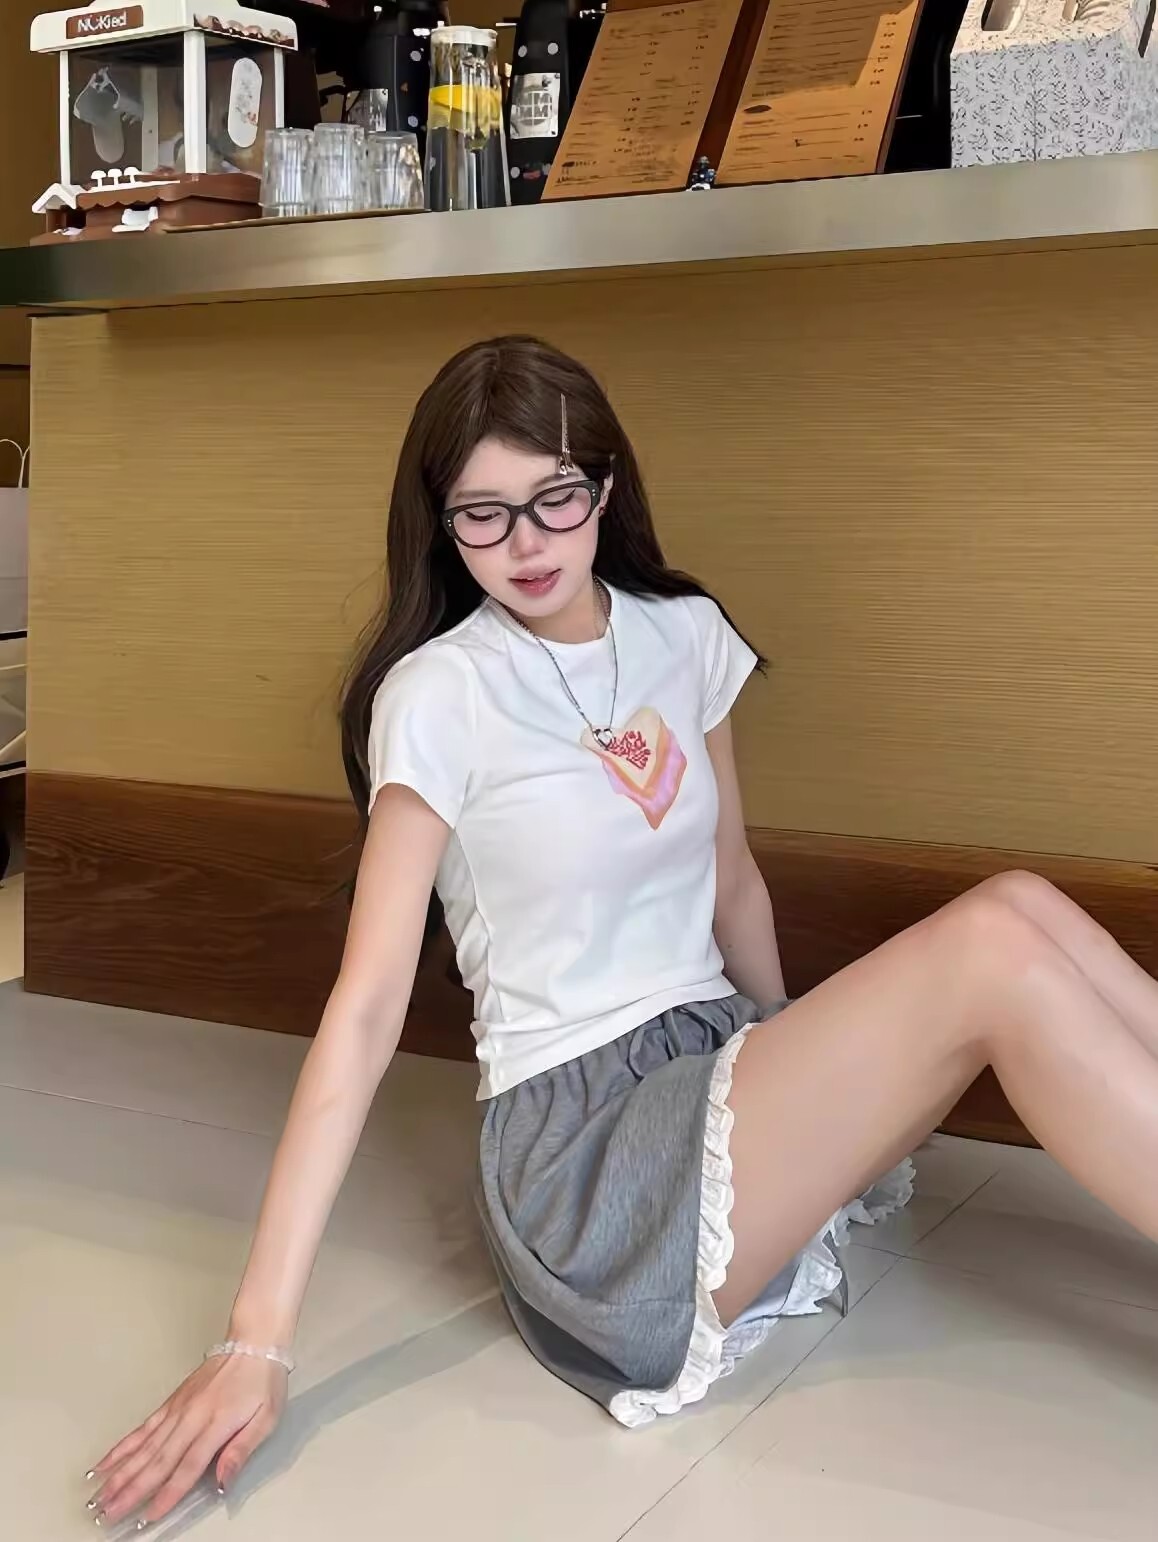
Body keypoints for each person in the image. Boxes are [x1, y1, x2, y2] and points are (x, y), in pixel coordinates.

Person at [87, 337, 1158, 1529]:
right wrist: (256, 1340)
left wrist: (813, 1072)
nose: (527, 543)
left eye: (555, 497)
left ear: (605, 484)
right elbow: (368, 1007)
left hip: (715, 1056)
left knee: (1021, 904)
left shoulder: (682, 634)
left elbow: (732, 880)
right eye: (483, 515)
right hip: (586, 1154)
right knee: (996, 952)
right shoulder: (440, 693)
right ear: (441, 523)